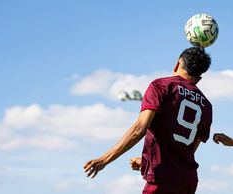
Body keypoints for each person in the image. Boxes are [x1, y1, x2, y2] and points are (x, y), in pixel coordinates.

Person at [83, 46, 213, 194]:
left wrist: (104, 160)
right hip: (187, 181)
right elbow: (186, 151)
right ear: (200, 78)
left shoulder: (161, 86)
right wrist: (146, 162)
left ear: (177, 64)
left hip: (162, 180)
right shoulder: (207, 106)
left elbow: (139, 129)